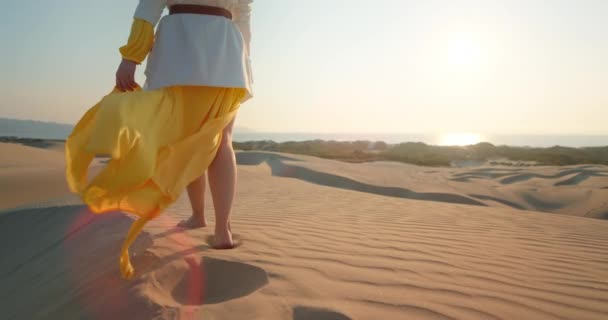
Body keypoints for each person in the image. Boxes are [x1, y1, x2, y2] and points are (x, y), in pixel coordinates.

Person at [65, 0, 253, 279]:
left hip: (179, 47)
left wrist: (131, 57)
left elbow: (149, 9)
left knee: (184, 136)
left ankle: (198, 216)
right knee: (222, 139)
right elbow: (244, 18)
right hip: (226, 50)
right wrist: (245, 66)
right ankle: (221, 229)